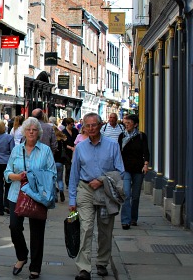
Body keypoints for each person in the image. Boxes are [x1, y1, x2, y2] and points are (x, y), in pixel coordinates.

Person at [68, 112, 125, 280]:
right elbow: (74, 174)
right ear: (83, 127)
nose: (91, 128)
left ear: (100, 125)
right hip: (85, 190)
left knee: (105, 229)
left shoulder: (112, 145)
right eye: (88, 125)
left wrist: (101, 180)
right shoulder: (80, 147)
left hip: (105, 191)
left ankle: (102, 262)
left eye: (94, 125)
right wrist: (72, 199)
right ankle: (84, 268)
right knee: (86, 228)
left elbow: (120, 170)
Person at [5, 117, 56, 279]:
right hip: (16, 193)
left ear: (39, 132)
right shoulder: (16, 150)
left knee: (37, 232)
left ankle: (35, 267)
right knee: (14, 227)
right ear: (24, 132)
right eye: (28, 129)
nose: (31, 132)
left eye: (34, 129)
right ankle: (22, 256)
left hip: (37, 195)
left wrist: (35, 177)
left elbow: (52, 173)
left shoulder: (45, 151)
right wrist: (17, 176)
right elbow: (7, 173)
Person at [118, 114, 150, 229]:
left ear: (135, 124)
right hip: (125, 169)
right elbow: (118, 153)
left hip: (138, 169)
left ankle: (133, 218)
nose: (126, 125)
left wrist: (146, 164)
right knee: (126, 194)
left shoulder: (142, 136)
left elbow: (146, 151)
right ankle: (125, 221)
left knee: (135, 196)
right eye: (125, 123)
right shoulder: (122, 136)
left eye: (129, 123)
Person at [62, 117, 79, 191]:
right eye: (71, 125)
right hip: (67, 152)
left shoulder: (75, 131)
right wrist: (71, 148)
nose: (72, 126)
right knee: (68, 168)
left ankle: (74, 181)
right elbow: (63, 144)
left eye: (73, 124)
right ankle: (68, 183)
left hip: (75, 151)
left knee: (75, 167)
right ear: (67, 124)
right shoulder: (63, 132)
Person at [53, 126, 69, 202]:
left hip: (52, 163)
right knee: (59, 179)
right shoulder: (61, 141)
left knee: (52, 180)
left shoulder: (52, 142)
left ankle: (55, 197)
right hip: (60, 162)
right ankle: (61, 190)